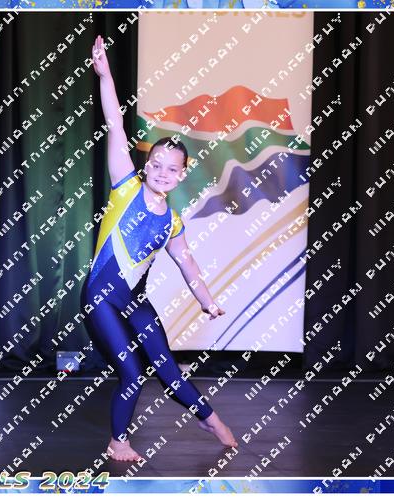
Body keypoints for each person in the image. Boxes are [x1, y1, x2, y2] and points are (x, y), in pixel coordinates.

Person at [79, 35, 238, 462]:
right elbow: (115, 123)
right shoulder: (125, 187)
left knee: (167, 367)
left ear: (182, 175)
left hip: (135, 301)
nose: (163, 173)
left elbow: (188, 264)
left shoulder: (173, 221)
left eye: (173, 169)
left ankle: (208, 417)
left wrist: (207, 301)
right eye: (158, 165)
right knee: (131, 372)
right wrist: (106, 76)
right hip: (100, 298)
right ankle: (118, 442)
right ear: (146, 165)